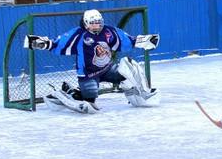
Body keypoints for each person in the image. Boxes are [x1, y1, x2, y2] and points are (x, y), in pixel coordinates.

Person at [24, 9, 161, 112]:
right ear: (86, 23)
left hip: (107, 69)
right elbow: (59, 44)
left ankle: (140, 95)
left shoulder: (108, 31)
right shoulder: (78, 34)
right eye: (93, 23)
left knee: (127, 72)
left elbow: (125, 40)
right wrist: (44, 44)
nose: (96, 26)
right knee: (90, 101)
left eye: (98, 22)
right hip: (88, 74)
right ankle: (70, 92)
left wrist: (141, 41)